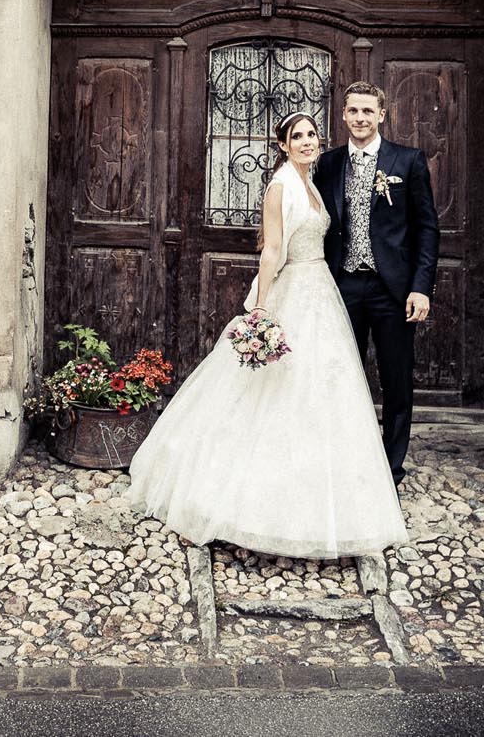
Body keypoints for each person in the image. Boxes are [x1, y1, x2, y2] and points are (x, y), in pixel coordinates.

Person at [127, 113, 406, 558]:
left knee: (322, 392)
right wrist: (261, 308)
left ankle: (323, 493)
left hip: (321, 290)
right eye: (296, 136)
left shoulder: (310, 182)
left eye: (311, 135)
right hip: (295, 288)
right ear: (283, 144)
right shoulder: (281, 186)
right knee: (274, 391)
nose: (306, 142)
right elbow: (272, 248)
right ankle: (243, 502)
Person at [313, 81, 440, 487]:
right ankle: (343, 459)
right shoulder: (328, 163)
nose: (361, 119)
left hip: (393, 291)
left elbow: (426, 230)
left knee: (396, 379)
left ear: (382, 115)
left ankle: (390, 471)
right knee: (339, 375)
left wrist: (420, 287)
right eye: (353, 111)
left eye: (369, 111)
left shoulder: (408, 161)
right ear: (344, 115)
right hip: (343, 286)